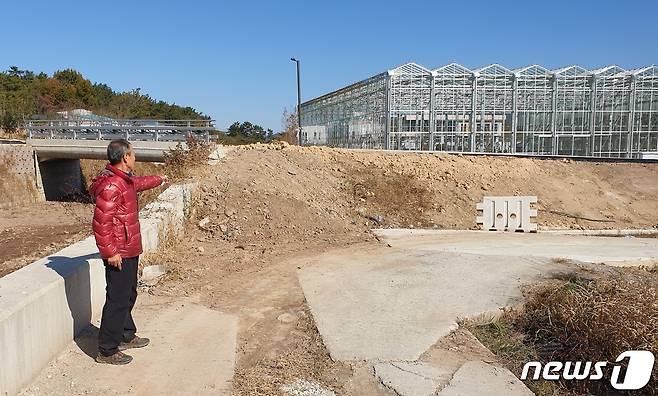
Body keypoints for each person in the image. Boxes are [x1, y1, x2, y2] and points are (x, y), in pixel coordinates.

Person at [89, 139, 167, 365]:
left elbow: (139, 183)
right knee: (117, 299)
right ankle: (107, 349)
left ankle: (125, 333)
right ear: (125, 158)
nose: (135, 157)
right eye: (133, 154)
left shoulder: (124, 181)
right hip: (119, 252)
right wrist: (111, 252)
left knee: (129, 294)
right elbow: (101, 223)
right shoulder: (112, 185)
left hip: (129, 246)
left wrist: (159, 179)